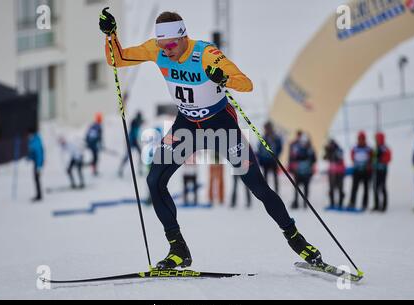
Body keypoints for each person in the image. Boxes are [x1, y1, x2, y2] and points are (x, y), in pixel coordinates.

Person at [99, 8, 323, 269]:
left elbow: (245, 83)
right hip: (188, 125)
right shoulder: (156, 50)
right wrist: (110, 35)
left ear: (184, 37)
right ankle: (178, 249)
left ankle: (297, 241)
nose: (166, 51)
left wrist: (224, 78)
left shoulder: (206, 54)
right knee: (154, 179)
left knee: (258, 187)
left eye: (170, 45)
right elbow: (119, 58)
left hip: (220, 124)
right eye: (161, 45)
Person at [347, 131, 373, 211]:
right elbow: (352, 157)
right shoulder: (355, 148)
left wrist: (368, 165)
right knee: (354, 188)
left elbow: (372, 158)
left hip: (366, 171)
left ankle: (364, 204)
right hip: (357, 170)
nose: (360, 140)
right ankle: (352, 203)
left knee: (365, 188)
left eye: (362, 139)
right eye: (359, 139)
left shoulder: (368, 149)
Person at [290, 133, 317, 209]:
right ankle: (296, 202)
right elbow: (294, 158)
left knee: (306, 188)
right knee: (296, 189)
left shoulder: (310, 150)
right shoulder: (297, 149)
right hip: (298, 172)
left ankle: (305, 203)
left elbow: (314, 160)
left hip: (307, 172)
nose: (304, 144)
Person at [257, 121, 282, 193]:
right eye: (266, 128)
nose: (266, 129)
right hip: (265, 160)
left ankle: (277, 191)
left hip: (273, 160)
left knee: (275, 177)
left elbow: (279, 147)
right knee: (265, 177)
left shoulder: (276, 137)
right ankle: (266, 191)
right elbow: (259, 149)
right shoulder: (263, 137)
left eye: (267, 128)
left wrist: (276, 155)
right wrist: (261, 158)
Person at [119, 111, 144, 177]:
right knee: (127, 156)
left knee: (140, 154)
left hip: (134, 140)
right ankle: (120, 170)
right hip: (131, 140)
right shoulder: (134, 121)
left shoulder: (138, 121)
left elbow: (141, 122)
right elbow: (135, 124)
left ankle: (140, 169)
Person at [323, 138, 346, 209]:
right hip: (332, 172)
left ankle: (340, 204)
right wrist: (327, 151)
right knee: (331, 188)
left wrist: (332, 152)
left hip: (339, 172)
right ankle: (332, 203)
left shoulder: (339, 150)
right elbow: (324, 158)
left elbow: (339, 158)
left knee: (340, 188)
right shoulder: (330, 151)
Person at [372, 132, 391, 213]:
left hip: (383, 170)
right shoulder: (376, 148)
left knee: (382, 187)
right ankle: (376, 205)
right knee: (375, 187)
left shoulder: (384, 148)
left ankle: (384, 206)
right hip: (376, 170)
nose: (376, 140)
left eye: (377, 139)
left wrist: (381, 158)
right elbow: (373, 158)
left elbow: (388, 158)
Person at [27, 128, 44, 202]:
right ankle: (38, 194)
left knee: (37, 178)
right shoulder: (33, 141)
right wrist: (29, 157)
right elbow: (32, 152)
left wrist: (39, 166)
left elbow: (39, 154)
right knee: (36, 179)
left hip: (38, 163)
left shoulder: (36, 141)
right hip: (35, 162)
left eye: (29, 134)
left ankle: (39, 195)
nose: (28, 136)